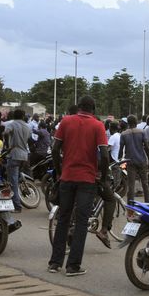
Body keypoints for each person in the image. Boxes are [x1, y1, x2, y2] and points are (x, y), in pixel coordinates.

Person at [48, 96, 109, 277]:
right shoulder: (98, 125)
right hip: (87, 180)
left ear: (79, 107)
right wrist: (103, 177)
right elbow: (105, 155)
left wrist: (59, 172)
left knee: (63, 219)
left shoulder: (66, 121)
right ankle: (73, 266)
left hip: (67, 178)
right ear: (93, 109)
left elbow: (54, 149)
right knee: (81, 222)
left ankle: (55, 263)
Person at [3, 109, 31, 214]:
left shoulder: (12, 124)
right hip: (24, 155)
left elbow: (5, 133)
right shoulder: (27, 126)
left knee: (12, 182)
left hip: (14, 154)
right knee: (16, 177)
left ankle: (17, 206)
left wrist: (7, 145)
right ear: (23, 116)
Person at [120, 115, 149, 203]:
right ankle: (148, 205)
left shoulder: (124, 134)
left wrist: (119, 161)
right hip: (142, 160)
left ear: (128, 123)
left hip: (130, 162)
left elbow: (120, 150)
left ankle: (131, 207)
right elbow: (146, 148)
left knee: (131, 185)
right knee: (145, 184)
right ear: (136, 122)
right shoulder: (142, 132)